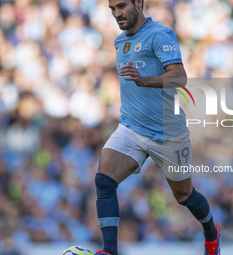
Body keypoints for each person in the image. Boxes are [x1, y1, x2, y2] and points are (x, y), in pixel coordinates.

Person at [95, 0, 221, 254]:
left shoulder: (160, 34)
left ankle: (211, 232)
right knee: (104, 181)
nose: (117, 14)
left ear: (139, 3)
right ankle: (109, 251)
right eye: (112, 9)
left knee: (184, 196)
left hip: (168, 134)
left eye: (121, 6)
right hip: (131, 127)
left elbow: (179, 76)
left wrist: (146, 80)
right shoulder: (120, 41)